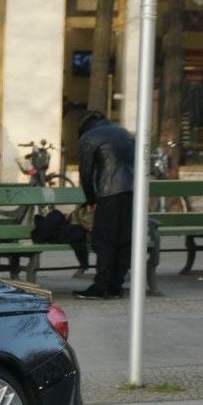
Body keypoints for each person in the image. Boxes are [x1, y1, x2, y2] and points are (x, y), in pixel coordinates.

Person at [75, 110, 135, 300]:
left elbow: (85, 173)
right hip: (132, 192)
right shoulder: (124, 133)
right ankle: (116, 286)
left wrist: (90, 199)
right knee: (124, 240)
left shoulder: (90, 137)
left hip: (109, 193)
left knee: (105, 241)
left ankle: (100, 287)